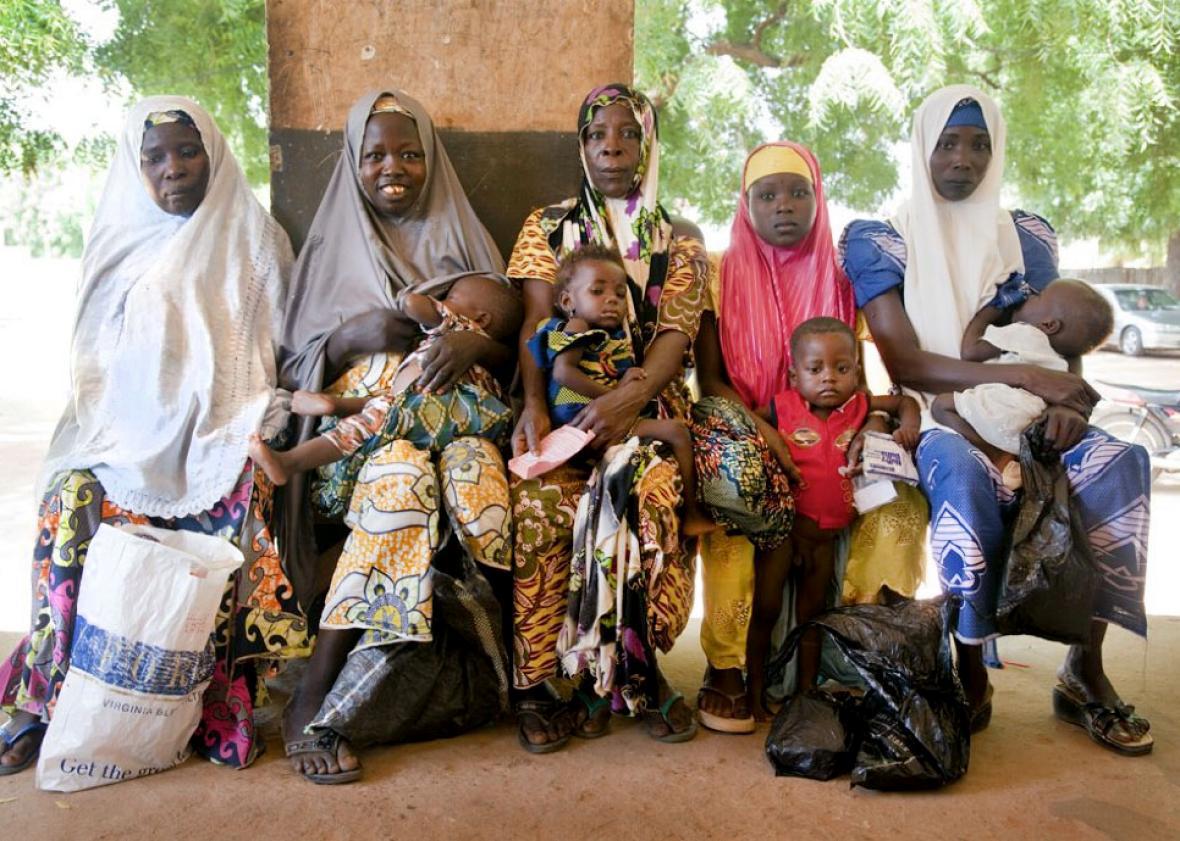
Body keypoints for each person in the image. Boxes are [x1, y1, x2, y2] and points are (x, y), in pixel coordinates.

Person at [841, 85, 1152, 754]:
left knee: (1117, 466)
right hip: (938, 416)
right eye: (949, 142)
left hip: (1029, 405)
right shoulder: (883, 240)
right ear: (923, 146)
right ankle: (971, 666)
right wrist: (1013, 375)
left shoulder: (1024, 238)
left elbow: (1051, 340)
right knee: (964, 478)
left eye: (980, 143)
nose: (965, 158)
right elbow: (907, 360)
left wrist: (1068, 402)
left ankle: (1084, 669)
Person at [0, 97, 307, 775]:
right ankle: (43, 698)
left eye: (187, 150)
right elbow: (92, 369)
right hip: (121, 440)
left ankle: (218, 704)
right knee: (68, 499)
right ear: (135, 167)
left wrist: (231, 419)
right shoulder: (115, 238)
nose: (173, 168)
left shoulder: (256, 241)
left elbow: (267, 356)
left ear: (214, 153)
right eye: (155, 156)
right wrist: (141, 421)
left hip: (219, 432)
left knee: (246, 494)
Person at [277, 90, 514, 783]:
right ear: (354, 160)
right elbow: (292, 360)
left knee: (481, 488)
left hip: (462, 422)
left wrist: (475, 350)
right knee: (399, 480)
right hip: (363, 439)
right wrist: (351, 335)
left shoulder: (466, 238)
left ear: (430, 158)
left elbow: (508, 340)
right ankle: (317, 687)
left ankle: (515, 672)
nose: (394, 167)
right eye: (376, 154)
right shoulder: (329, 246)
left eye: (410, 153)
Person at [509, 83, 707, 751]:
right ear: (582, 146)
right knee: (535, 501)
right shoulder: (548, 226)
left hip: (645, 403)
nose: (612, 147)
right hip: (564, 406)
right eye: (598, 136)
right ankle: (536, 686)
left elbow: (676, 337)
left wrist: (627, 401)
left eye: (627, 134)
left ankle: (640, 672)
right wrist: (536, 403)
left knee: (645, 496)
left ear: (648, 145)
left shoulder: (679, 241)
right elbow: (538, 325)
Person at [690, 141, 855, 733]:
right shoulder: (715, 272)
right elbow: (710, 380)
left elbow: (858, 377)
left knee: (887, 508)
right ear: (745, 203)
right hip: (742, 425)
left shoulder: (841, 277)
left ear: (818, 198)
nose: (783, 205)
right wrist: (765, 429)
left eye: (798, 192)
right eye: (767, 195)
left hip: (823, 435)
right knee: (739, 494)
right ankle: (729, 668)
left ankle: (844, 667)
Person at [744, 317, 920, 719]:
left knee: (814, 616)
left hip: (824, 541)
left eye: (842, 369)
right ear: (794, 374)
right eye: (815, 369)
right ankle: (753, 690)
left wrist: (907, 425)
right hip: (782, 535)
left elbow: (904, 402)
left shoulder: (859, 407)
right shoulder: (782, 407)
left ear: (857, 371)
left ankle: (806, 692)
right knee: (766, 609)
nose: (829, 378)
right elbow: (742, 416)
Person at [251, 275, 520, 485]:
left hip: (433, 406)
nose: (446, 296)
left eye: (453, 294)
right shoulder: (484, 356)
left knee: (357, 429)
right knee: (383, 411)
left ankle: (290, 463)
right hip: (449, 418)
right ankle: (333, 406)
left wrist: (418, 295)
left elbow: (412, 304)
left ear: (481, 318)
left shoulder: (460, 326)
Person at [527, 244, 712, 532]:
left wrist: (623, 385)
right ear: (567, 300)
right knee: (677, 432)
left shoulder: (608, 338)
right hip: (578, 417)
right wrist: (617, 397)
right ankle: (693, 513)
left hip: (588, 417)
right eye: (597, 291)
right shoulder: (575, 326)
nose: (612, 300)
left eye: (619, 293)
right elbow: (564, 374)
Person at [931, 279, 1114, 488]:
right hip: (1032, 424)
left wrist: (993, 307)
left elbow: (970, 351)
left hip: (1003, 409)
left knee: (940, 406)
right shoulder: (1061, 360)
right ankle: (1011, 460)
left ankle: (997, 458)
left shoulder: (1025, 333)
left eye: (1039, 296)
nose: (1029, 295)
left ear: (1048, 325)